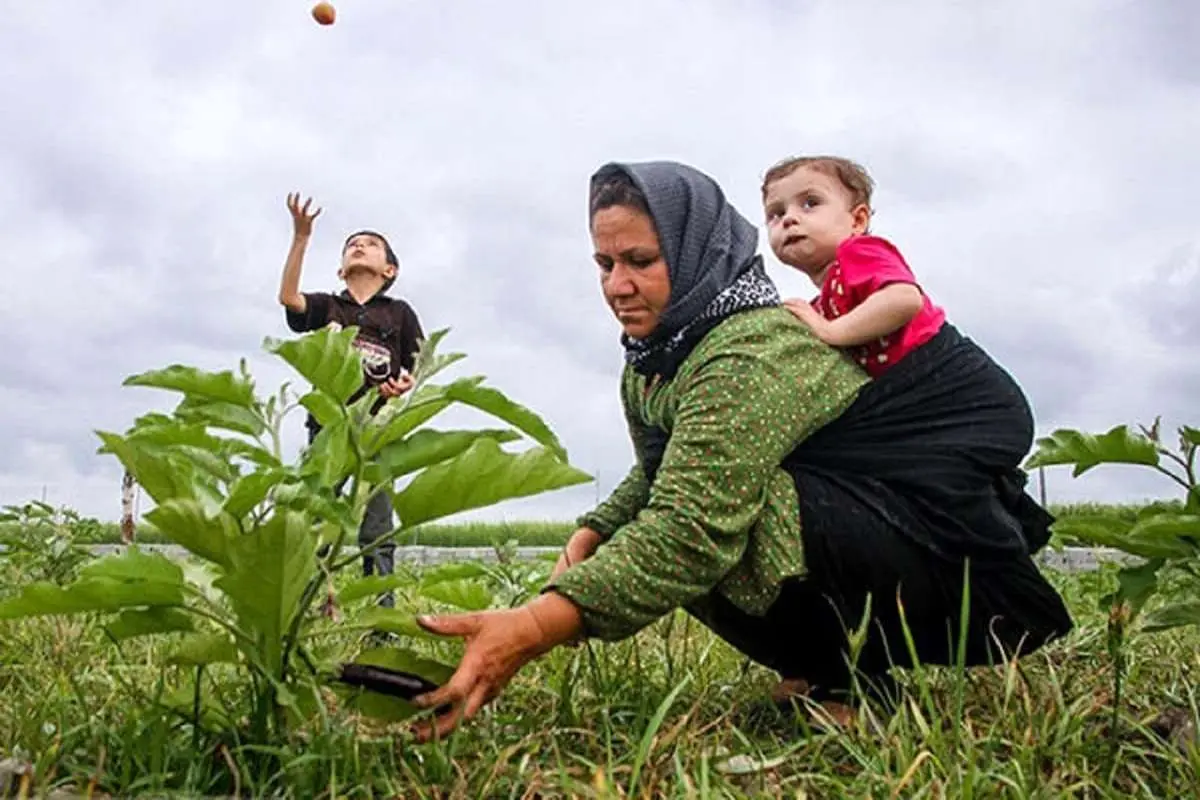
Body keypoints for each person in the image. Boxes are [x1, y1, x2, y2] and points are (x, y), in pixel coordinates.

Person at [408, 161, 1072, 740]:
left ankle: (854, 679)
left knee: (731, 521)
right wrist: (596, 528)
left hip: (923, 540)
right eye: (605, 264)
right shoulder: (653, 360)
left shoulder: (747, 349)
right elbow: (661, 468)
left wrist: (532, 627)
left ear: (695, 251)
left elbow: (693, 524)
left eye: (641, 261)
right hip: (857, 517)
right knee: (657, 525)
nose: (617, 285)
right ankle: (823, 667)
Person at [277, 192, 426, 606]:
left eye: (371, 244)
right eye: (351, 244)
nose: (360, 245)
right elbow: (289, 299)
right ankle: (307, 605)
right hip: (327, 430)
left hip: (377, 432)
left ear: (389, 269)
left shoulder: (399, 313)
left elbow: (418, 363)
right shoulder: (328, 307)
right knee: (314, 518)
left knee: (377, 527)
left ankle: (381, 618)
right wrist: (301, 237)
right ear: (341, 269)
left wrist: (402, 387)